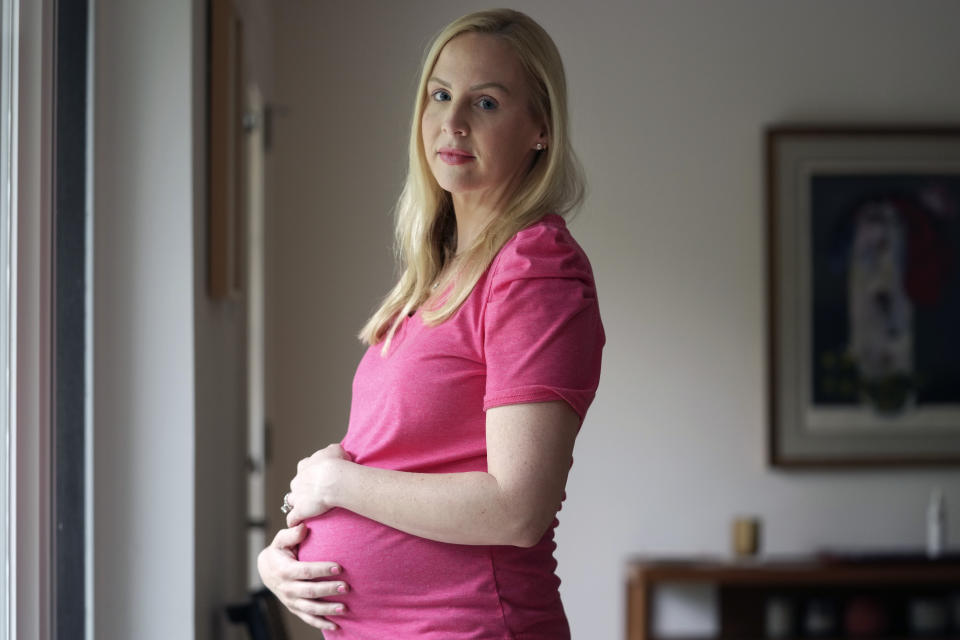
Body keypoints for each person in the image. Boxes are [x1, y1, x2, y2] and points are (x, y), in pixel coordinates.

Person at [257, 9, 604, 638]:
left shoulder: (534, 269)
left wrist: (337, 483)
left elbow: (516, 507)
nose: (453, 121)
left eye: (487, 102)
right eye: (440, 95)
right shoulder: (439, 272)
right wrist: (284, 556)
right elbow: (396, 460)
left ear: (540, 129)